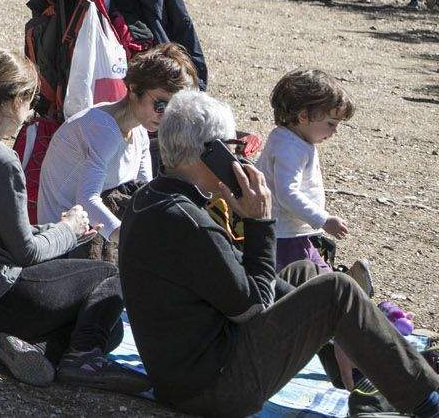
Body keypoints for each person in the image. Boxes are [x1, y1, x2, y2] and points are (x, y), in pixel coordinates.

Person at [117, 90, 439, 418]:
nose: (240, 158)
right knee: (336, 292)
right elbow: (253, 305)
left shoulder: (156, 197)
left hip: (189, 373)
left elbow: (233, 277)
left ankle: (357, 370)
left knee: (304, 274)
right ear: (210, 153)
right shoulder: (186, 220)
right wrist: (260, 222)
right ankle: (427, 401)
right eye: (233, 148)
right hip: (212, 391)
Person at [0, 49, 147, 393]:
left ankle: (39, 351)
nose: (31, 111)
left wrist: (63, 230)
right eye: (31, 100)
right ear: (15, 102)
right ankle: (81, 360)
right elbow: (25, 252)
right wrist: (68, 231)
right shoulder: (1, 160)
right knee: (110, 280)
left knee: (104, 327)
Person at [36, 44, 198, 259]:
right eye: (160, 105)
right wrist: (135, 241)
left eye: (174, 108)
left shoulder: (138, 130)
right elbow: (87, 200)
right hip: (65, 244)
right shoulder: (104, 130)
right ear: (133, 89)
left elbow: (144, 191)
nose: (165, 115)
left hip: (94, 234)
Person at [257, 69, 360, 273]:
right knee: (305, 275)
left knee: (313, 266)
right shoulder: (289, 149)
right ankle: (342, 291)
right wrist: (322, 219)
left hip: (292, 231)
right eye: (331, 123)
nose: (335, 131)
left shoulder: (290, 139)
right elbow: (287, 193)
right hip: (283, 234)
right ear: (303, 116)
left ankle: (343, 286)